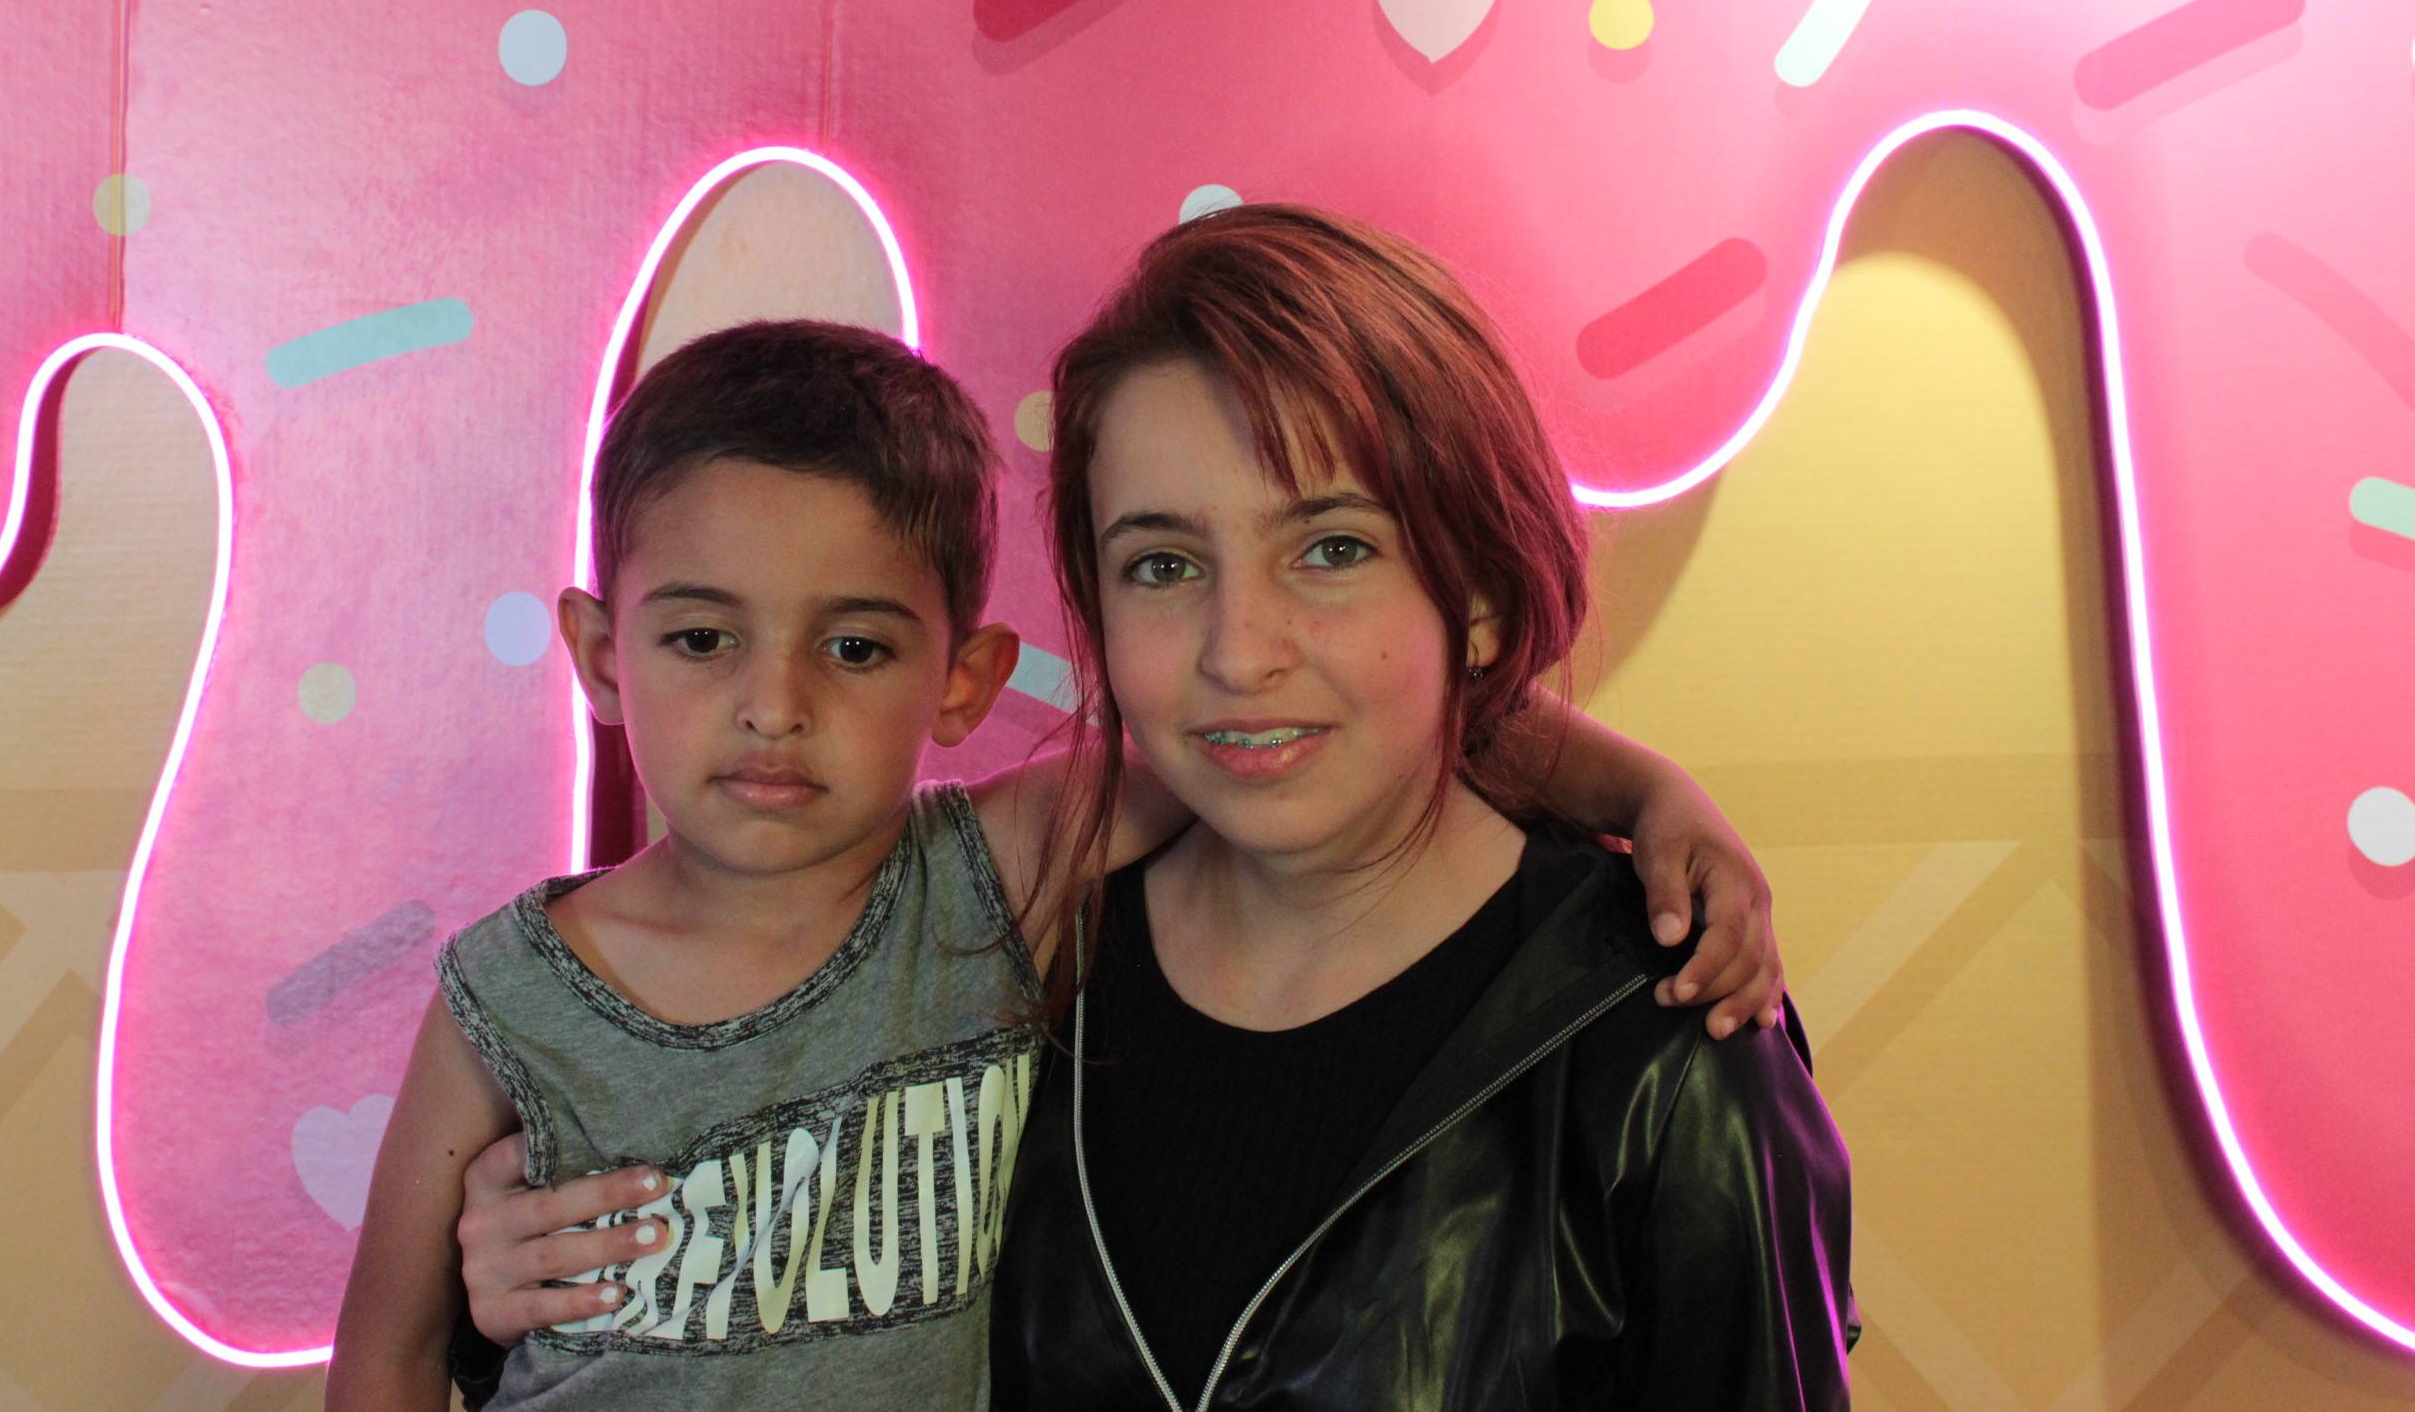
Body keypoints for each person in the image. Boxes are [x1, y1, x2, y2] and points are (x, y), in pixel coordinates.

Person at [380, 310, 1790, 1408]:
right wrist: (490, 1303)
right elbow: (398, 1343)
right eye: (703, 638)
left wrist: (1646, 791)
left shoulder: (995, 884)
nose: (774, 704)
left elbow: (1361, 713)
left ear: (965, 679)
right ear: (600, 653)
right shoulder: (515, 988)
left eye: (855, 646)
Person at [987, 205, 1855, 1409]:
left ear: (1480, 594)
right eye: (1164, 565)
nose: (1238, 651)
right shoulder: (1022, 973)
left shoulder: (1664, 1046)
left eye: (1332, 549)